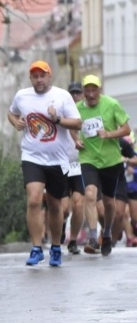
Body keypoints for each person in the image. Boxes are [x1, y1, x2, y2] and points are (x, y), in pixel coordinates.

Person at [7, 60, 82, 266]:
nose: (39, 80)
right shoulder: (22, 96)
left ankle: (56, 248)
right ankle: (36, 248)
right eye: (35, 76)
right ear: (30, 78)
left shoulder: (62, 96)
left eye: (43, 76)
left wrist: (57, 119)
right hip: (32, 156)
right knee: (33, 200)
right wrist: (16, 122)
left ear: (50, 76)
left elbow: (77, 123)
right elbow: (11, 113)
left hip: (58, 159)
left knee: (55, 205)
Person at [76, 74, 132, 256]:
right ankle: (93, 238)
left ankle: (106, 234)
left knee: (109, 203)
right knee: (90, 195)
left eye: (94, 90)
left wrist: (109, 134)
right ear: (84, 91)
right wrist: (75, 139)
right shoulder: (76, 109)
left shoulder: (111, 104)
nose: (91, 94)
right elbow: (69, 126)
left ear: (100, 90)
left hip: (111, 161)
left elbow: (126, 128)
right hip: (88, 159)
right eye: (87, 90)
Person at [64, 81, 87, 255]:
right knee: (63, 208)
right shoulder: (63, 112)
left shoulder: (88, 113)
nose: (74, 96)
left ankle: (73, 240)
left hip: (81, 164)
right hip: (63, 161)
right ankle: (60, 225)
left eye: (77, 93)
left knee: (78, 204)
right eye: (72, 93)